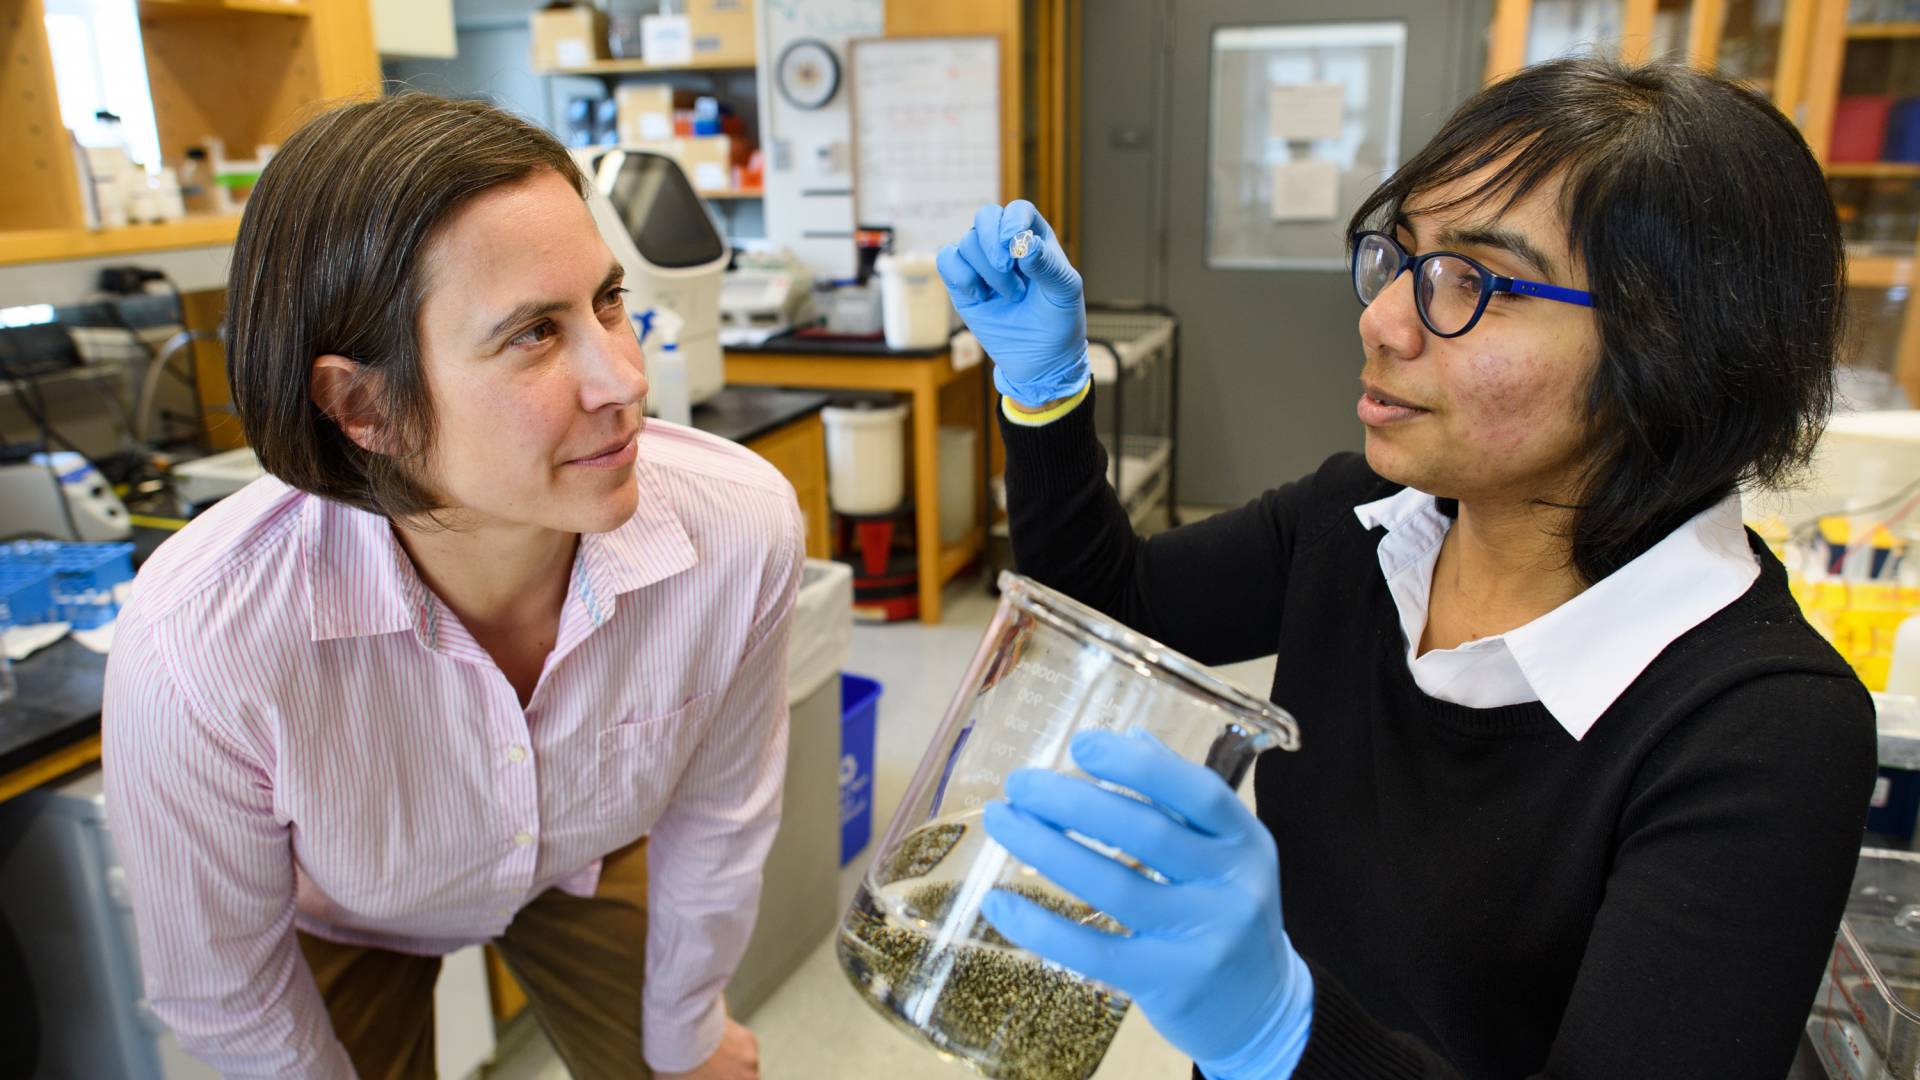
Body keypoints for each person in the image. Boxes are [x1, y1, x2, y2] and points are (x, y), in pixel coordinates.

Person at [937, 57, 1877, 1077]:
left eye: (1474, 281)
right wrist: (1044, 389)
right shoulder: (1363, 523)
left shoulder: (1763, 728)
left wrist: (1282, 1032)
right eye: (1403, 257)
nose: (1383, 320)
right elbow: (1107, 612)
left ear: (1671, 351)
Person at [102, 94, 801, 1080]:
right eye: (533, 334)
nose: (623, 381)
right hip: (342, 909)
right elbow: (221, 983)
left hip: (580, 856)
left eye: (606, 301)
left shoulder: (735, 528)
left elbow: (720, 816)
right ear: (363, 403)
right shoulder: (201, 641)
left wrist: (686, 1036)